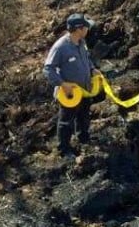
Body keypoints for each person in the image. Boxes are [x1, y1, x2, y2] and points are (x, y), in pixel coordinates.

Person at [43, 13, 101, 158]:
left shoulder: (81, 42)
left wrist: (93, 69)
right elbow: (48, 69)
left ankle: (83, 138)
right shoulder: (61, 47)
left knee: (83, 116)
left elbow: (86, 60)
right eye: (86, 26)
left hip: (85, 90)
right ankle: (64, 149)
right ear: (79, 29)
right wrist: (62, 84)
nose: (88, 29)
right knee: (66, 122)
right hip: (69, 93)